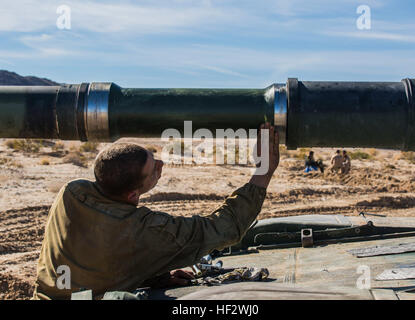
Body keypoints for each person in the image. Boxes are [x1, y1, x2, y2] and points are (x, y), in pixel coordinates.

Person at [33, 122, 280, 300]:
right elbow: (221, 228)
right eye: (153, 169)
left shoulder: (71, 193)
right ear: (132, 195)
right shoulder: (144, 230)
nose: (161, 164)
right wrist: (263, 171)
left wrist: (148, 273)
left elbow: (94, 261)